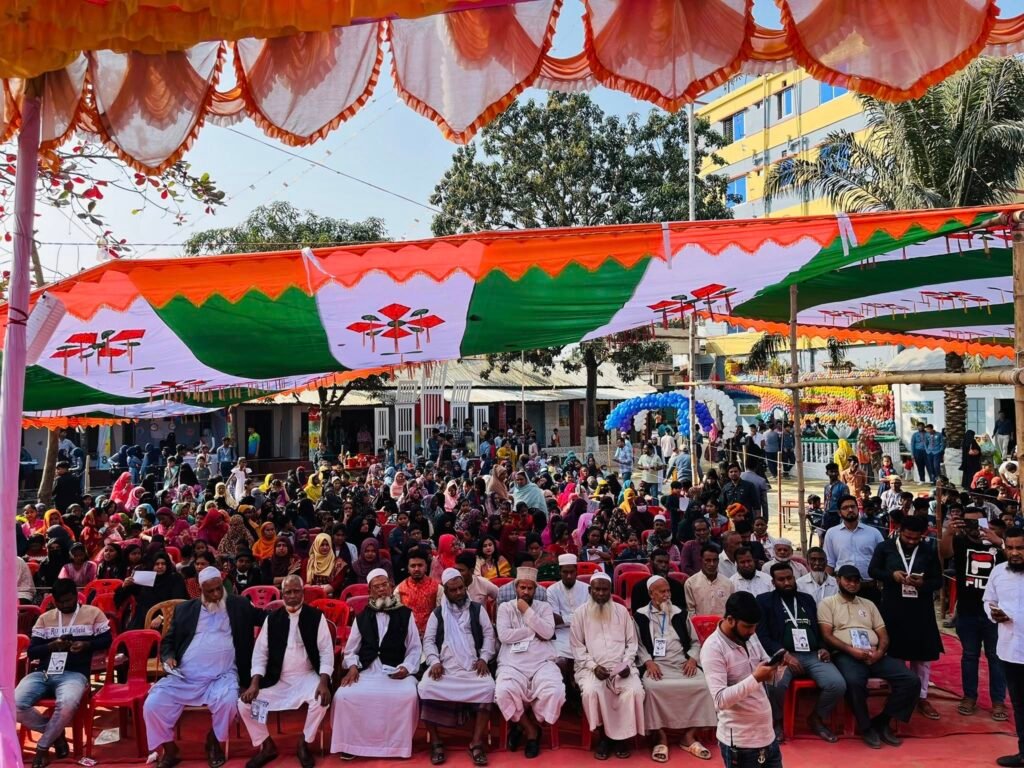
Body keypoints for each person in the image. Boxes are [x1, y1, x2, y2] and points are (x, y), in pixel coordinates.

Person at [143, 565, 264, 768]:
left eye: (219, 589)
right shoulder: (185, 610)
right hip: (185, 676)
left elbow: (266, 617)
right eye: (210, 591)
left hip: (222, 675)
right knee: (152, 705)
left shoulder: (239, 605)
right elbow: (168, 641)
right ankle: (170, 750)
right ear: (200, 590)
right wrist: (169, 657)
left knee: (228, 702)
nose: (216, 595)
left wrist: (293, 610)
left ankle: (213, 742)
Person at [818, 565, 919, 749]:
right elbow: (827, 635)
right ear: (838, 580)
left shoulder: (868, 604)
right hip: (846, 654)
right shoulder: (828, 603)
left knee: (911, 680)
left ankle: (883, 721)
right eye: (848, 580)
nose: (852, 584)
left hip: (873, 653)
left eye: (856, 581)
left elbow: (883, 634)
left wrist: (879, 652)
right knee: (853, 681)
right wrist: (852, 650)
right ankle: (866, 727)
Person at [239, 575, 334, 768]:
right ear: (282, 594)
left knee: (321, 700)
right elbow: (260, 654)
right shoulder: (272, 619)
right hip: (278, 678)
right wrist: (254, 683)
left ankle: (304, 743)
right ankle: (267, 745)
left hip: (307, 676)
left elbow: (326, 652)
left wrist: (324, 682)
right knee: (244, 704)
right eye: (288, 592)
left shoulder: (316, 617)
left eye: (296, 591)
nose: (292, 596)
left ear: (303, 593)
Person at [17, 578, 112, 768]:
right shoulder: (45, 618)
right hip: (43, 672)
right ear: (54, 601)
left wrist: (87, 645)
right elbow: (33, 652)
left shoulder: (93, 613)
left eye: (69, 600)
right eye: (60, 602)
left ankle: (42, 747)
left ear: (77, 596)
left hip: (74, 673)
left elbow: (106, 640)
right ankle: (56, 734)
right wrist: (51, 646)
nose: (65, 605)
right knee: (10, 704)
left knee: (68, 703)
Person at [332, 568, 422, 760]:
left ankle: (397, 746)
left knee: (407, 695)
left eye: (384, 585)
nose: (381, 589)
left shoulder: (405, 614)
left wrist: (406, 667)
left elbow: (414, 648)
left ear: (391, 587)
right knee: (343, 696)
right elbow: (351, 649)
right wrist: (353, 667)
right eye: (376, 587)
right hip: (367, 670)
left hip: (395, 671)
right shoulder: (362, 617)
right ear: (370, 591)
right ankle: (351, 745)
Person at [757, 563, 846, 743]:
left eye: (790, 578)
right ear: (773, 582)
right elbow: (762, 636)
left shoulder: (807, 599)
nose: (787, 582)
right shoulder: (764, 601)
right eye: (781, 579)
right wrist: (783, 654)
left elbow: (818, 629)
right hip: (783, 656)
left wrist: (823, 647)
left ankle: (816, 718)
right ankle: (777, 721)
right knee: (776, 683)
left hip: (813, 654)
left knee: (837, 684)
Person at [868, 514, 944, 720]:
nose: (911, 541)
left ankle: (922, 696)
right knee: (896, 653)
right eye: (907, 537)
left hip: (921, 609)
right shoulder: (885, 547)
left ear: (922, 535)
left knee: (922, 657)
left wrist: (923, 583)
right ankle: (898, 693)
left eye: (915, 538)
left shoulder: (928, 551)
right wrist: (891, 576)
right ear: (900, 531)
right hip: (893, 607)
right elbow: (872, 570)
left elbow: (938, 581)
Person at [418, 568, 497, 767]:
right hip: (446, 668)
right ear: (445, 591)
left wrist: (484, 658)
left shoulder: (477, 609)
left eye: (461, 588)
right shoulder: (438, 614)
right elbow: (428, 641)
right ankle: (436, 742)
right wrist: (434, 661)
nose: (459, 592)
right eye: (453, 590)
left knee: (488, 687)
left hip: (473, 667)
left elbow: (489, 636)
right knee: (425, 687)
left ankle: (476, 743)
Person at [635, 575, 716, 762]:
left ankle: (689, 736)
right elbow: (638, 646)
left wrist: (692, 659)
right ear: (651, 594)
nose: (667, 595)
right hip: (657, 665)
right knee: (651, 688)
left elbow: (695, 642)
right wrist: (648, 662)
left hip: (682, 664)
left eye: (668, 591)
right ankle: (660, 736)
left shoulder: (680, 613)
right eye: (662, 592)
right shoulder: (640, 616)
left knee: (705, 685)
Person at [939, 505, 1007, 720]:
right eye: (968, 522)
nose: (973, 527)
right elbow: (944, 554)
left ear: (985, 521)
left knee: (996, 657)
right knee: (969, 656)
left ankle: (998, 702)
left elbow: (1018, 558)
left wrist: (999, 542)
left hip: (995, 613)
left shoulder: (998, 543)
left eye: (977, 522)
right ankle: (969, 697)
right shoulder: (959, 541)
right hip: (967, 611)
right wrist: (949, 532)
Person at [700, 591, 782, 768]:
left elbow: (766, 672)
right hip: (740, 744)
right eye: (748, 626)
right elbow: (720, 700)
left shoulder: (750, 635)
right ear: (730, 619)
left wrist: (776, 668)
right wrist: (755, 678)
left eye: (755, 627)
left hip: (767, 736)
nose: (752, 631)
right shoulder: (713, 648)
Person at [570, 572, 645, 760]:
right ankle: (603, 737)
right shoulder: (580, 614)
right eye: (597, 589)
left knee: (635, 691)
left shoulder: (622, 612)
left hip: (622, 668)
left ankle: (622, 738)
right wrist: (593, 666)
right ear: (590, 590)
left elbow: (632, 643)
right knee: (591, 692)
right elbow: (577, 648)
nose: (601, 594)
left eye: (605, 590)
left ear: (611, 591)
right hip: (591, 668)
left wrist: (626, 663)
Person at [495, 567, 565, 758]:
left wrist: (526, 611)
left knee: (555, 691)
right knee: (503, 691)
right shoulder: (505, 608)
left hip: (542, 662)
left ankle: (523, 726)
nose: (526, 592)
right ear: (516, 588)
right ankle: (531, 731)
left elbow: (548, 633)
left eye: (530, 588)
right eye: (522, 588)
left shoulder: (544, 607)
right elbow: (504, 636)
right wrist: (534, 631)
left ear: (535, 589)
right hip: (512, 663)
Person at [983, 527, 1024, 767]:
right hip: (1010, 650)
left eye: (1020, 548)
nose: (1015, 553)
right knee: (1019, 704)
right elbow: (989, 600)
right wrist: (994, 614)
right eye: (1010, 548)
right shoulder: (998, 572)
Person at [823, 494, 883, 603]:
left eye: (853, 506)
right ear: (839, 513)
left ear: (858, 509)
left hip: (869, 588)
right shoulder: (831, 533)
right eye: (845, 508)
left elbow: (883, 560)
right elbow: (829, 563)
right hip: (842, 589)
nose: (850, 510)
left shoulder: (874, 533)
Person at [394, 548, 442, 637]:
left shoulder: (438, 588)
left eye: (420, 565)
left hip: (432, 635)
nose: (416, 569)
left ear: (426, 567)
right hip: (407, 636)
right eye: (413, 566)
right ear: (408, 568)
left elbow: (441, 615)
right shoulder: (399, 589)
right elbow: (397, 617)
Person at [685, 545, 735, 617]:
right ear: (701, 561)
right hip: (700, 623)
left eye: (715, 560)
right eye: (708, 560)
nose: (712, 564)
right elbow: (691, 612)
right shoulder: (691, 583)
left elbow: (731, 610)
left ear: (718, 561)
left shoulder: (728, 583)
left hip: (723, 623)